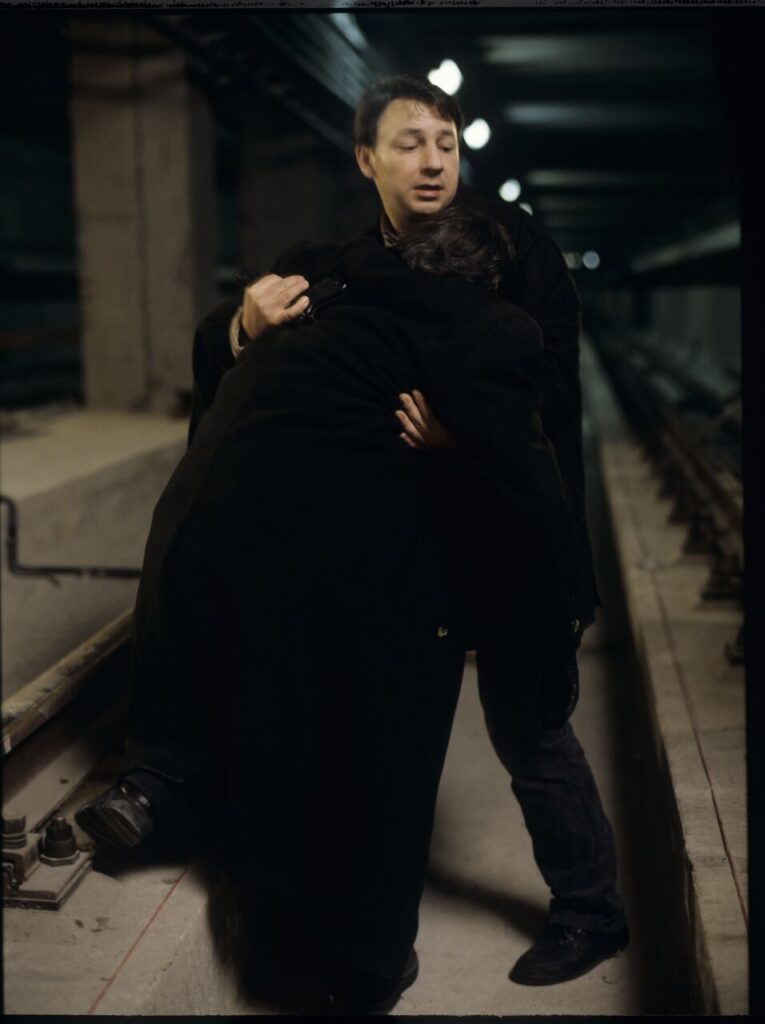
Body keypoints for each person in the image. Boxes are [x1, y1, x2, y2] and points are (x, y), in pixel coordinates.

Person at [79, 206, 582, 1013]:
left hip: (194, 535)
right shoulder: (492, 327)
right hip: (336, 562)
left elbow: (228, 360)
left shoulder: (327, 289)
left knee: (275, 729)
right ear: (488, 280)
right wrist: (562, 618)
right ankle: (373, 965)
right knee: (389, 751)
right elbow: (535, 488)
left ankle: (159, 783)